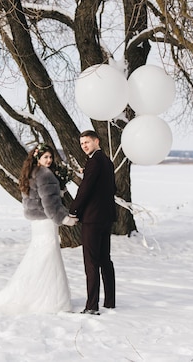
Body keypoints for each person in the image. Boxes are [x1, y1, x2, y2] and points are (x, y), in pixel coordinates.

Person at [0, 143, 78, 315]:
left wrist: (60, 191)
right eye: (46, 157)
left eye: (50, 157)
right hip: (46, 221)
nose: (49, 160)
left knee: (39, 255)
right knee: (49, 257)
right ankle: (51, 299)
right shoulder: (46, 176)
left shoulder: (31, 173)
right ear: (38, 158)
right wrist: (65, 219)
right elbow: (50, 206)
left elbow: (41, 199)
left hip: (37, 223)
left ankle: (34, 293)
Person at [69, 130, 116, 315]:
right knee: (105, 259)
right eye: (82, 143)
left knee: (91, 262)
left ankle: (91, 306)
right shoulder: (106, 161)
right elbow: (112, 188)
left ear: (97, 141)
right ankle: (110, 301)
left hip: (93, 218)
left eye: (87, 142)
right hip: (106, 217)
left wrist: (73, 210)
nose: (84, 146)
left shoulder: (94, 161)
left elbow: (85, 190)